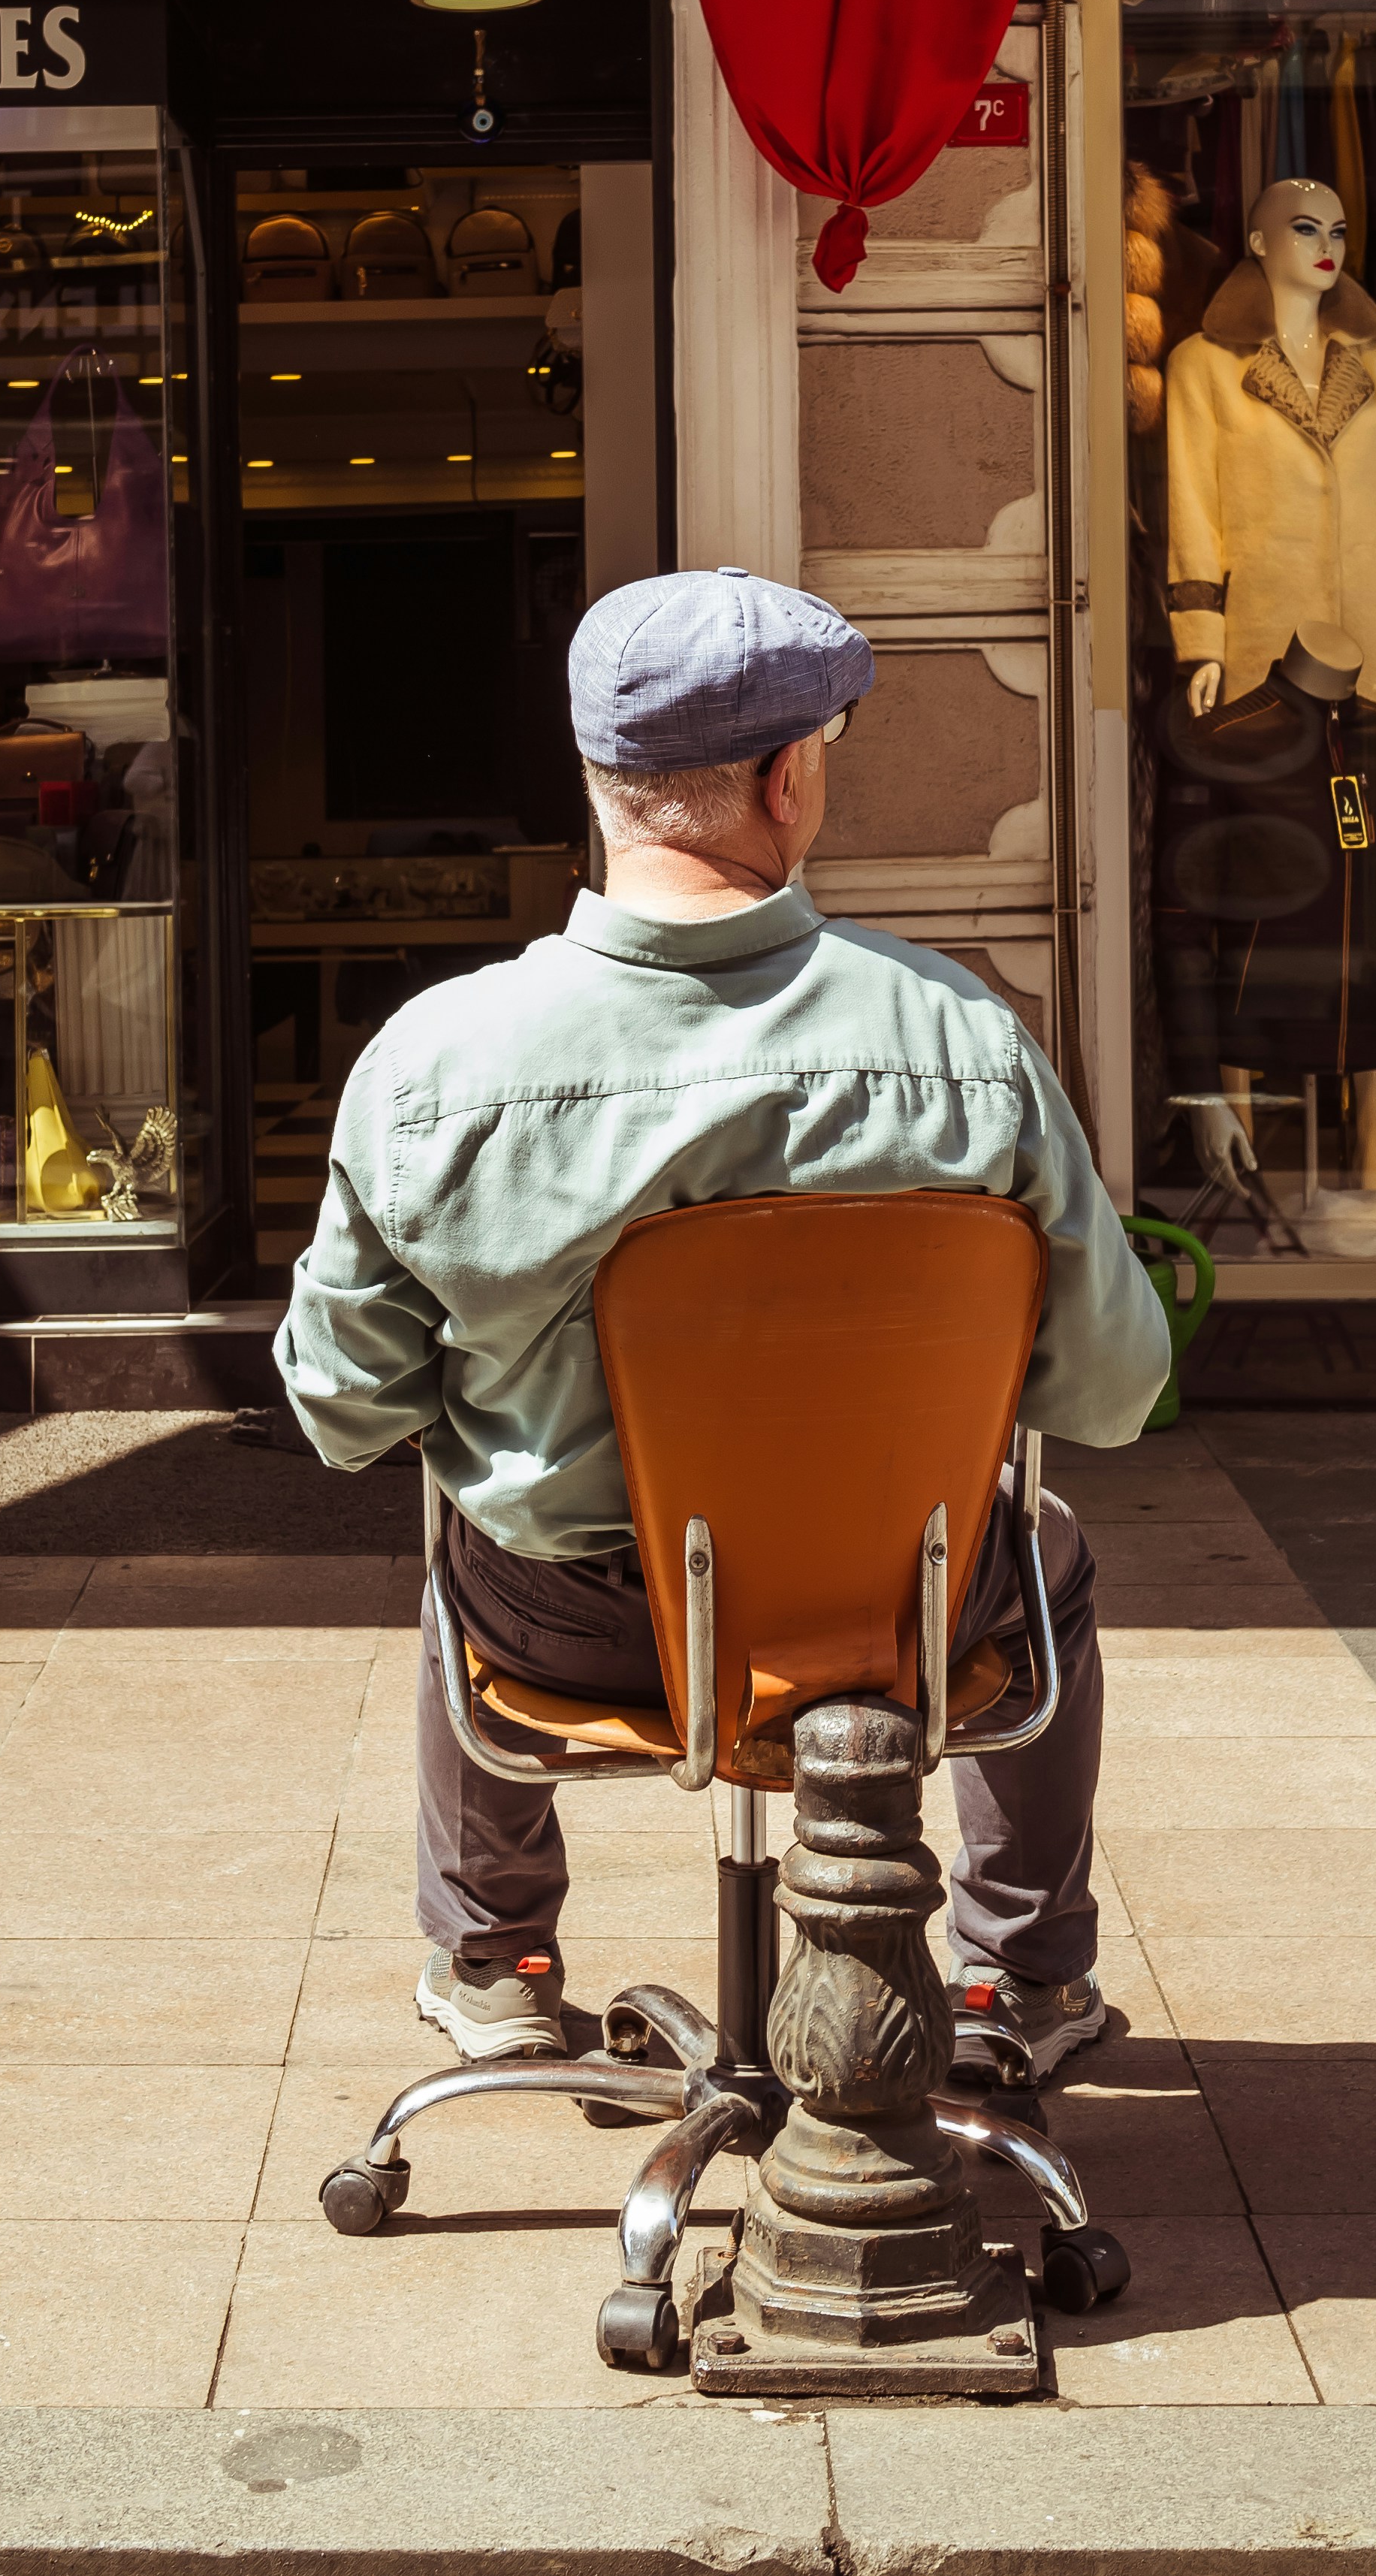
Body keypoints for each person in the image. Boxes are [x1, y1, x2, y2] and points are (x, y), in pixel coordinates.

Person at [273, 567, 1174, 2082]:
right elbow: (1112, 1385)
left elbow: (339, 1407)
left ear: (593, 779)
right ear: (788, 776)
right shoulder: (961, 1039)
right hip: (901, 1615)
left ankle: (497, 1950)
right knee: (1053, 1548)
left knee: (461, 1529)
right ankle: (1018, 1975)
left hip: (575, 1626)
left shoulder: (428, 1063)